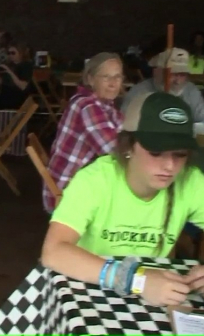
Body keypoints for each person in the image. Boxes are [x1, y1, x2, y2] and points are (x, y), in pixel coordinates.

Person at [41, 91, 204, 307]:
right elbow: (53, 252)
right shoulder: (95, 179)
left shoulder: (190, 181)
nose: (170, 166)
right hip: (88, 287)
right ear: (128, 146)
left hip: (153, 294)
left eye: (180, 154)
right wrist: (136, 281)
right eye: (156, 152)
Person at [44, 53, 124, 212]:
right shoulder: (88, 106)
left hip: (78, 185)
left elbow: (125, 131)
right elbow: (115, 150)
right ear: (90, 79)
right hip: (68, 194)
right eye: (106, 77)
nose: (113, 83)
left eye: (117, 77)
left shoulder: (104, 104)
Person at [122, 47, 204, 123]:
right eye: (173, 74)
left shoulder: (191, 91)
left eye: (182, 75)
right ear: (158, 72)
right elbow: (125, 122)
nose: (178, 81)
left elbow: (201, 118)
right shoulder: (139, 92)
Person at [0, 42, 34, 136]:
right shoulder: (12, 65)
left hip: (16, 97)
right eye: (9, 53)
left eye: (13, 53)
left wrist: (9, 71)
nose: (10, 56)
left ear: (21, 53)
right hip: (6, 94)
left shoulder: (25, 66)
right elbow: (4, 83)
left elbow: (22, 86)